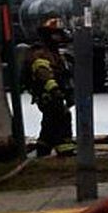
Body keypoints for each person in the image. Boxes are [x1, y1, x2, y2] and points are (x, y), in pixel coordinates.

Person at [25, 17, 76, 157]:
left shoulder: (54, 52)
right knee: (62, 116)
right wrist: (54, 90)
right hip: (47, 93)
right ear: (48, 35)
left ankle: (43, 148)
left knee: (50, 120)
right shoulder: (40, 52)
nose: (59, 37)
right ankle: (65, 148)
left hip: (53, 92)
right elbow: (43, 73)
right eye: (56, 34)